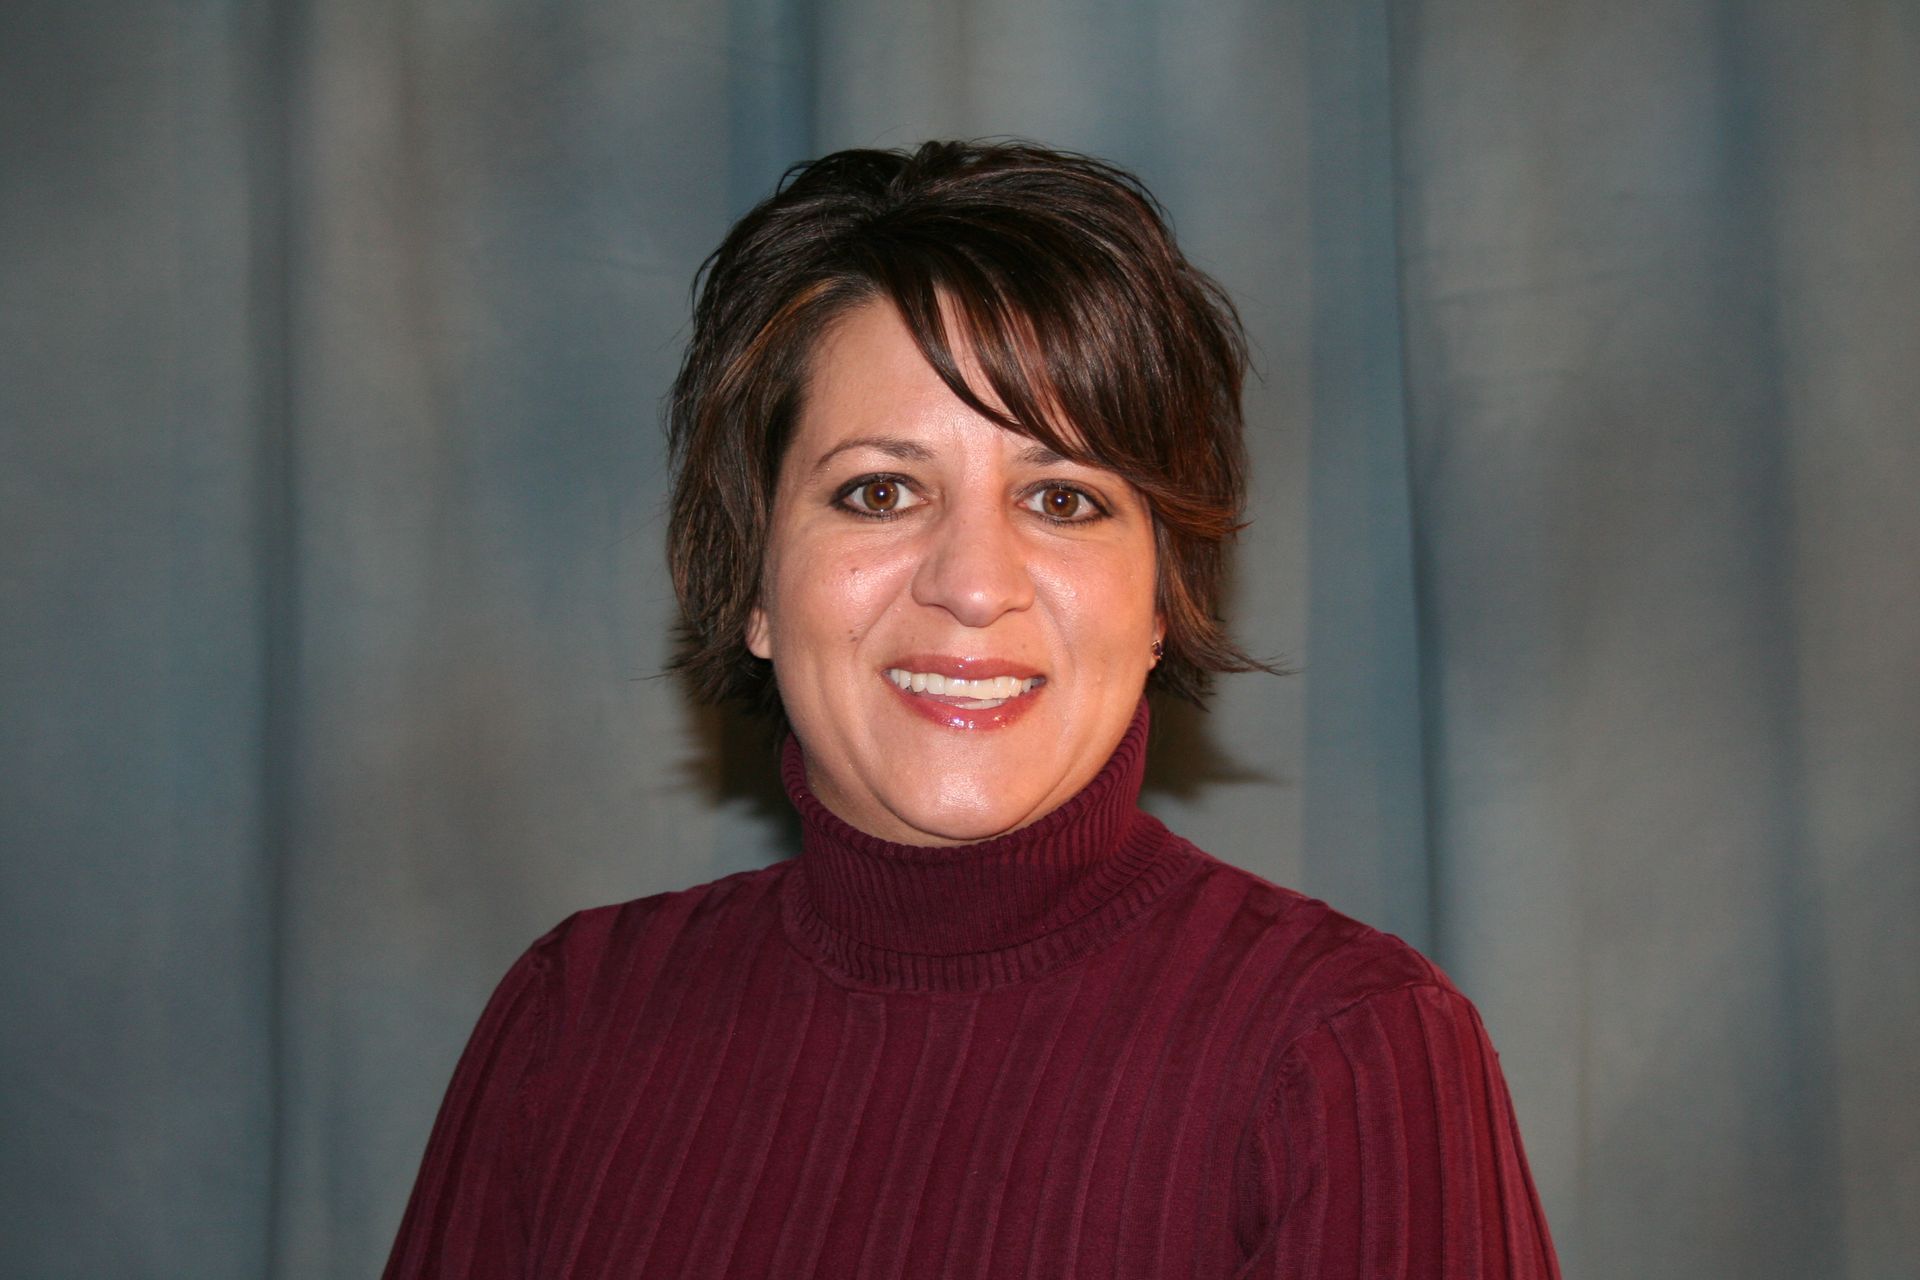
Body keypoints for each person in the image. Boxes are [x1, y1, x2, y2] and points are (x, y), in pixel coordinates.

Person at [383, 141, 1560, 1278]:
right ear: (750, 580)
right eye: (880, 490)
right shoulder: (573, 1019)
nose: (974, 581)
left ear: (1162, 598)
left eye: (1062, 496)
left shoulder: (1349, 1053)